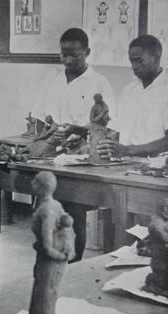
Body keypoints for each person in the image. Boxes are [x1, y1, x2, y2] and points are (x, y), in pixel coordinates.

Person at [33, 28, 116, 262]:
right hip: (52, 152)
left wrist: (77, 130)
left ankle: (73, 263)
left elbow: (107, 128)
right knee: (48, 212)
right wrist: (44, 132)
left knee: (74, 212)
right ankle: (50, 261)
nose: (68, 60)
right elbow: (40, 119)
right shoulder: (53, 78)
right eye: (63, 54)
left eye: (75, 55)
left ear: (87, 52)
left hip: (81, 156)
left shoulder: (100, 83)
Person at [97, 35, 168, 159]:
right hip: (125, 162)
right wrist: (100, 144)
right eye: (131, 61)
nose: (134, 66)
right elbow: (116, 130)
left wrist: (128, 150)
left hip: (157, 166)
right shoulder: (129, 89)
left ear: (156, 58)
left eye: (139, 60)